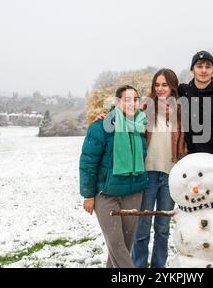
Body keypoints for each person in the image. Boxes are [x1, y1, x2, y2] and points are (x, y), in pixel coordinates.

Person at [79, 85, 148, 268]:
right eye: (127, 99)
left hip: (133, 193)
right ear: (117, 102)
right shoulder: (101, 127)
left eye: (135, 99)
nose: (132, 103)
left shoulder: (141, 125)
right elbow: (88, 162)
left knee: (123, 246)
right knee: (117, 246)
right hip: (106, 194)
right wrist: (88, 195)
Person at [131, 68, 186, 268]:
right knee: (142, 225)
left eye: (165, 84)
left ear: (173, 86)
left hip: (170, 175)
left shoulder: (182, 111)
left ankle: (158, 267)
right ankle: (137, 266)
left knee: (162, 227)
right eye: (157, 84)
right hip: (148, 173)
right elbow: (122, 114)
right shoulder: (145, 107)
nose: (161, 89)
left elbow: (187, 143)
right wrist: (106, 117)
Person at [178, 51, 213, 158]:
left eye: (208, 67)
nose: (204, 70)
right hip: (191, 158)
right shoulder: (183, 92)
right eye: (199, 66)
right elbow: (162, 95)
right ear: (192, 69)